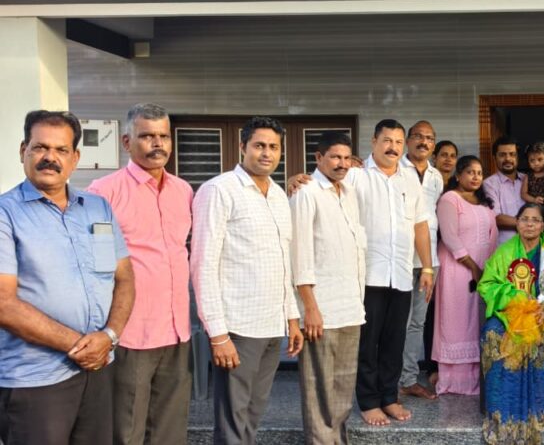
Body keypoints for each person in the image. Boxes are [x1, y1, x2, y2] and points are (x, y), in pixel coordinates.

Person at [286, 119, 435, 426]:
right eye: (387, 140)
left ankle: (389, 397)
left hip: (401, 272)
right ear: (374, 142)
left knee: (394, 341)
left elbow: (420, 224)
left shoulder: (410, 179)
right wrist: (296, 179)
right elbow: (325, 182)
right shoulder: (355, 174)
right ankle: (368, 401)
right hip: (368, 276)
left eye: (398, 141)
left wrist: (427, 266)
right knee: (367, 344)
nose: (393, 147)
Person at [0, 110, 135, 445]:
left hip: (98, 370)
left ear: (75, 158)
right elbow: (4, 304)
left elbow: (124, 278)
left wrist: (109, 336)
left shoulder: (98, 208)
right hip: (35, 380)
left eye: (61, 150)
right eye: (40, 147)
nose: (50, 157)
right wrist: (84, 346)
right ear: (23, 151)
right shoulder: (5, 214)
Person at [191, 116, 304, 444]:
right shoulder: (219, 190)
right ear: (243, 147)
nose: (267, 153)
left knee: (254, 411)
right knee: (233, 418)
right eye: (259, 145)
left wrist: (292, 318)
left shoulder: (279, 195)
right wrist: (218, 334)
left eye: (274, 147)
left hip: (271, 324)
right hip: (237, 327)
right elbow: (203, 263)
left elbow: (283, 262)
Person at [87, 103, 193, 445]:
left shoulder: (183, 191)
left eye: (164, 136)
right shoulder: (103, 193)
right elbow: (94, 264)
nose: (157, 143)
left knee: (170, 430)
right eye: (147, 136)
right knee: (127, 429)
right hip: (132, 332)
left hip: (177, 329)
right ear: (126, 142)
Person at [290, 134, 367, 444]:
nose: (342, 164)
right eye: (335, 157)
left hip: (351, 307)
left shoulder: (349, 192)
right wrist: (309, 308)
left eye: (347, 158)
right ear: (318, 158)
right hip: (321, 309)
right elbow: (300, 255)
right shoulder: (306, 193)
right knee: (319, 388)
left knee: (342, 389)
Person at [479, 203, 544, 444]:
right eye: (525, 219)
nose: (530, 224)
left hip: (543, 314)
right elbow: (487, 284)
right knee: (494, 335)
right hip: (510, 314)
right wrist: (516, 298)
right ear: (517, 223)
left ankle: (539, 408)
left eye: (535, 220)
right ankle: (501, 409)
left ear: (543, 225)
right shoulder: (504, 252)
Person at [433, 155, 498, 395]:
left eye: (479, 173)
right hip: (457, 269)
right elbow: (449, 237)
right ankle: (454, 381)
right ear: (458, 175)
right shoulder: (450, 199)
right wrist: (473, 266)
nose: (475, 177)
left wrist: (489, 268)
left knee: (476, 320)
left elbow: (492, 236)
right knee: (456, 320)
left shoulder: (485, 203)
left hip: (483, 269)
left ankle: (477, 378)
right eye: (470, 172)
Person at [399, 121, 445, 400]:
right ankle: (389, 379)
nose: (423, 142)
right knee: (397, 322)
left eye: (429, 138)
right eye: (418, 136)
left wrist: (429, 264)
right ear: (408, 140)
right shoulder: (394, 169)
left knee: (417, 322)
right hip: (400, 259)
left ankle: (408, 379)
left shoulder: (436, 176)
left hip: (429, 261)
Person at [427, 139, 459, 385]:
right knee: (430, 312)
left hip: (453, 256)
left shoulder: (459, 186)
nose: (448, 159)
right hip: (429, 251)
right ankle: (432, 366)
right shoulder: (427, 183)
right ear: (434, 157)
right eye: (444, 154)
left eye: (452, 155)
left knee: (450, 310)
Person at [483, 136, 525, 245]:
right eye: (502, 155)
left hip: (532, 247)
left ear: (517, 157)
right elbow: (496, 218)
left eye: (512, 154)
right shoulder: (489, 184)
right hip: (505, 249)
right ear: (494, 158)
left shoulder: (527, 180)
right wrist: (530, 224)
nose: (508, 159)